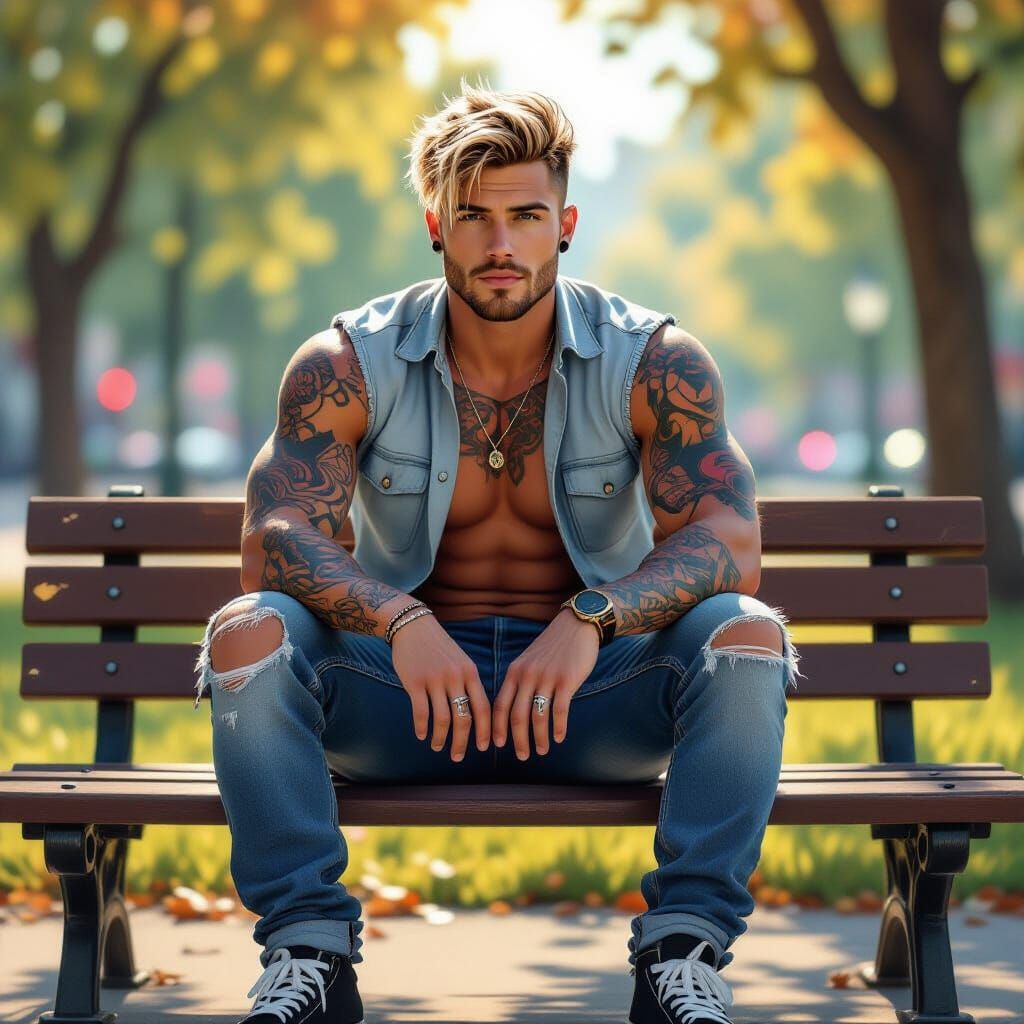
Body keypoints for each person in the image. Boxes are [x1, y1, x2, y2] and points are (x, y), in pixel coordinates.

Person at [192, 78, 803, 1024]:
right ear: (436, 223)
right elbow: (274, 539)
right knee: (246, 631)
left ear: (565, 222)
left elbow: (729, 539)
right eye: (474, 217)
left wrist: (592, 617)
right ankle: (309, 953)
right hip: (404, 702)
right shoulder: (348, 362)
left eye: (525, 215)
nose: (502, 244)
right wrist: (400, 620)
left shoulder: (655, 362)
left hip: (591, 702)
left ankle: (684, 953)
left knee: (747, 633)